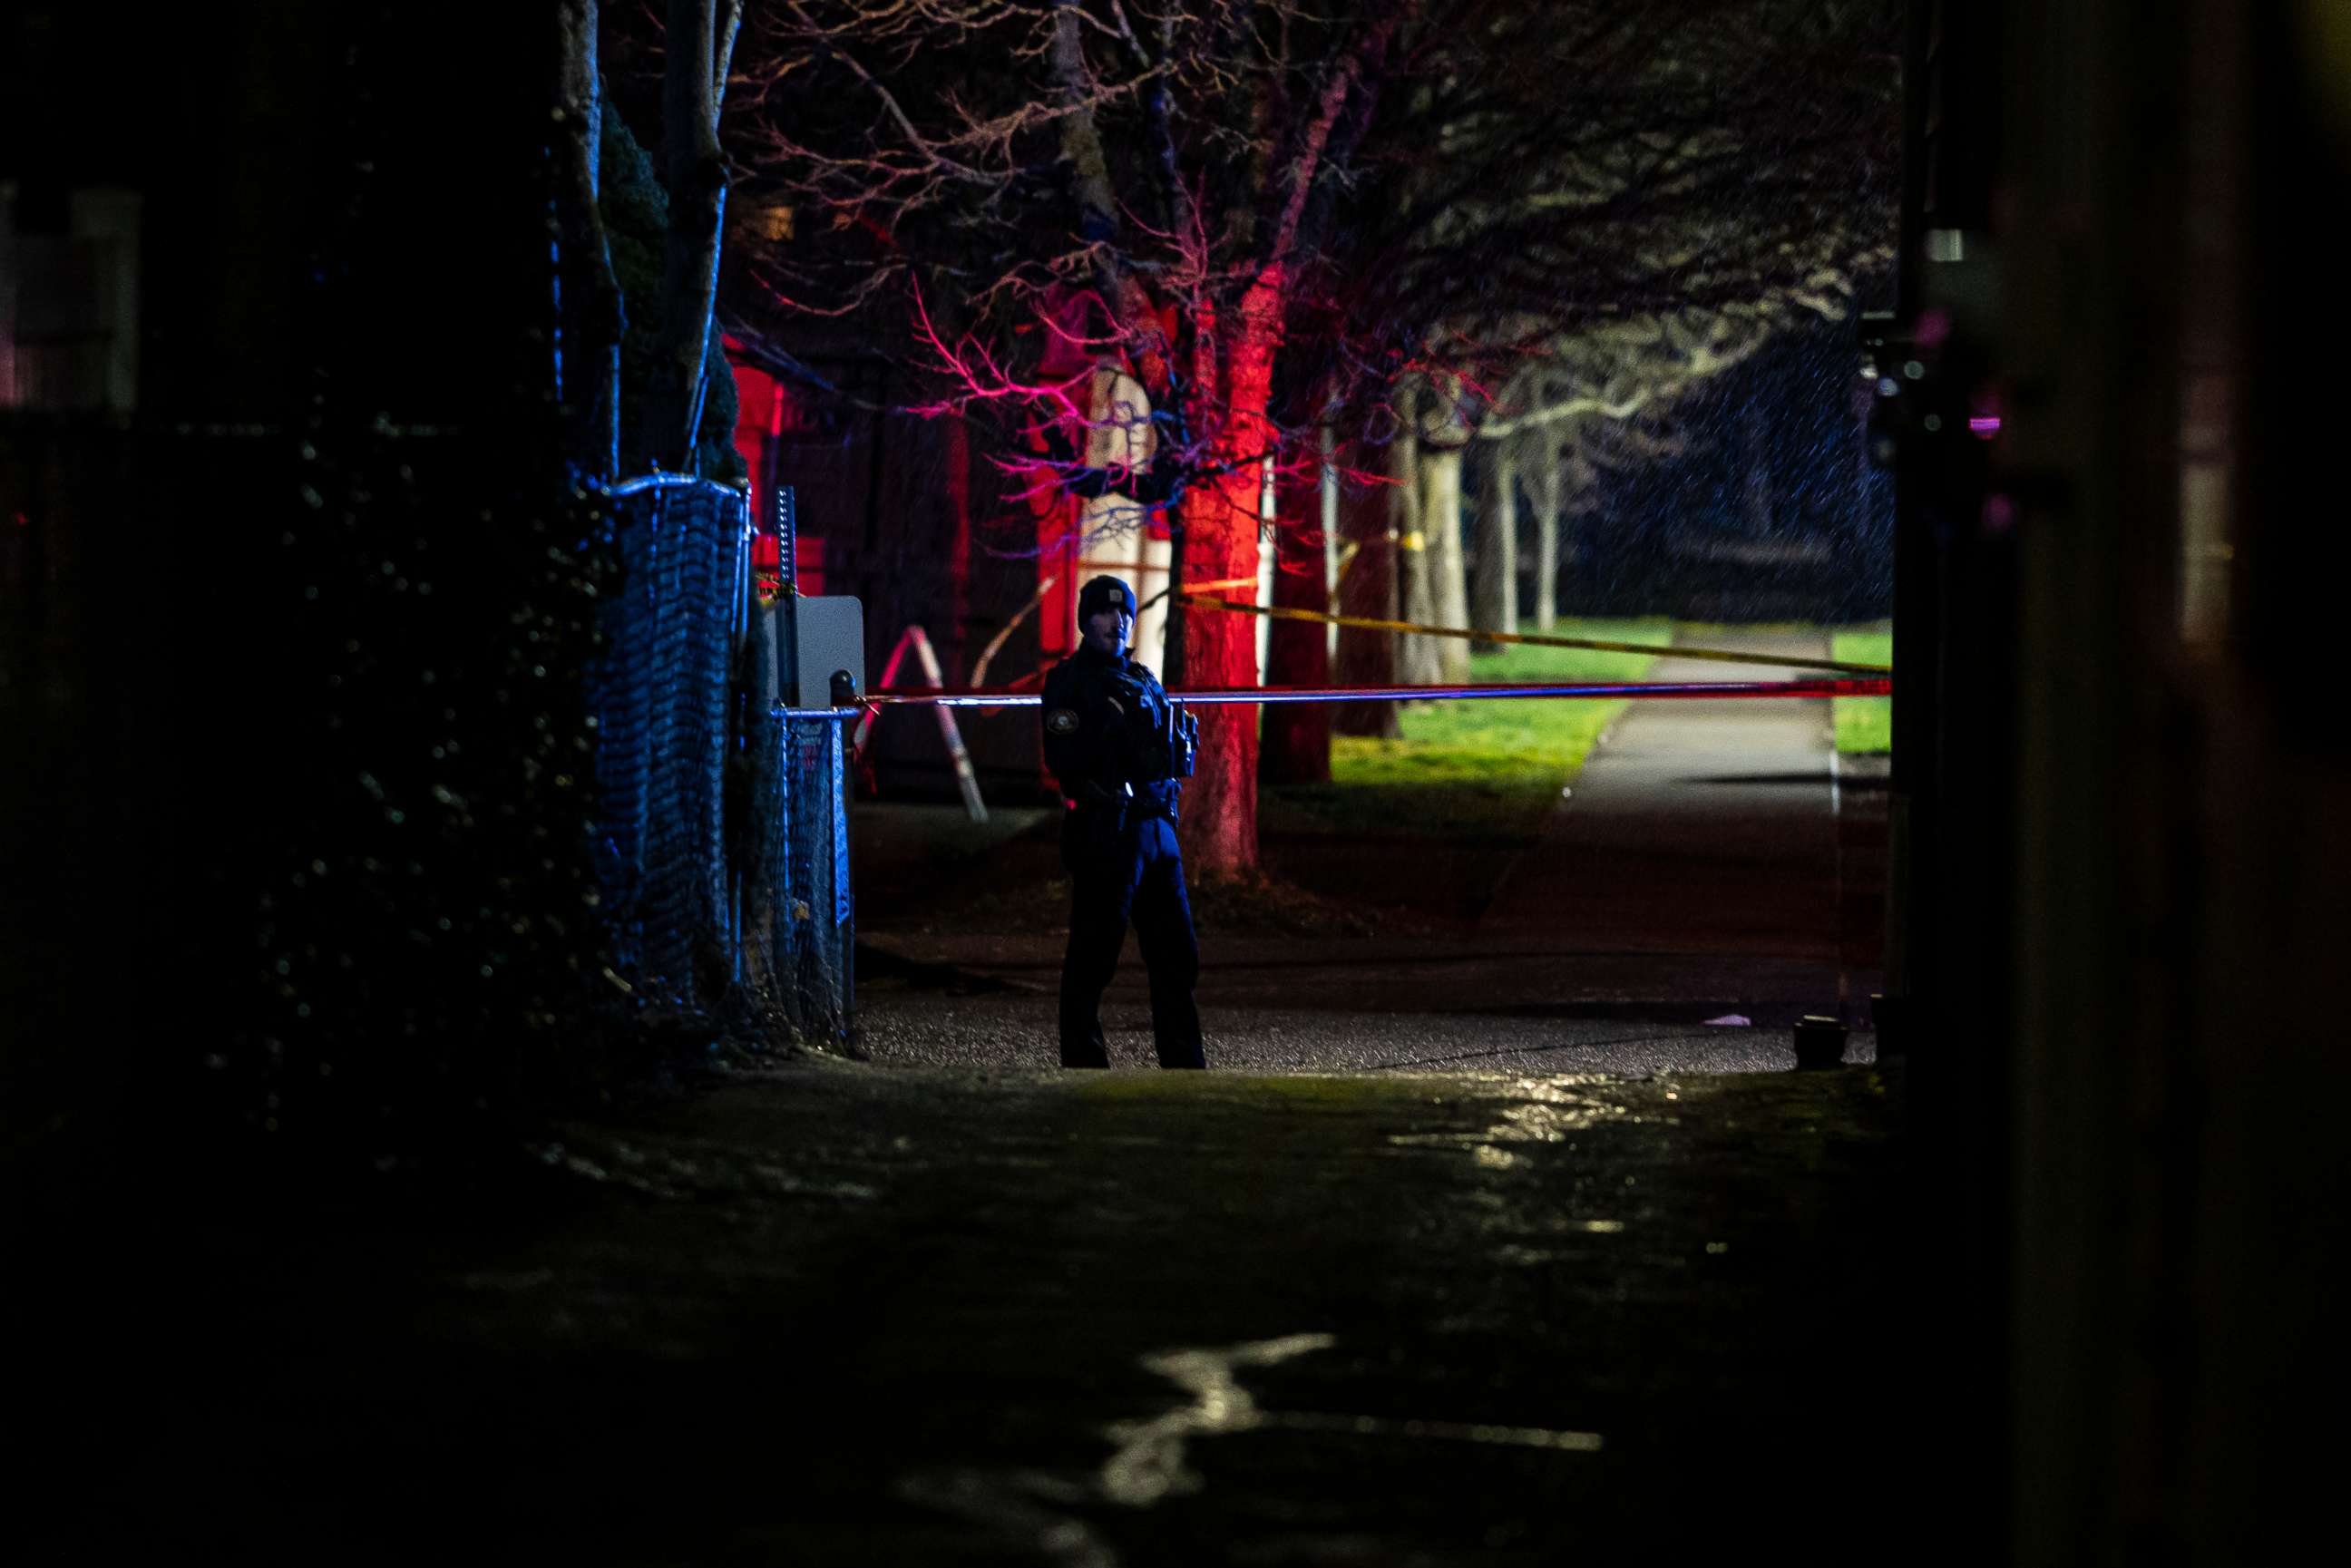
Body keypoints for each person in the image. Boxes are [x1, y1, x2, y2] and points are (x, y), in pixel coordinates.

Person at [1040, 575, 1205, 1069]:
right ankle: (1083, 1061)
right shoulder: (1071, 683)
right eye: (1107, 613)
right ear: (1085, 620)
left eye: (1126, 613)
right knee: (1095, 952)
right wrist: (1123, 750)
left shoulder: (1143, 679)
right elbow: (1066, 759)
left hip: (1156, 828)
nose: (1119, 622)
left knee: (1177, 954)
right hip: (1108, 828)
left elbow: (1165, 752)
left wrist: (1175, 749)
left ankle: (1184, 1063)